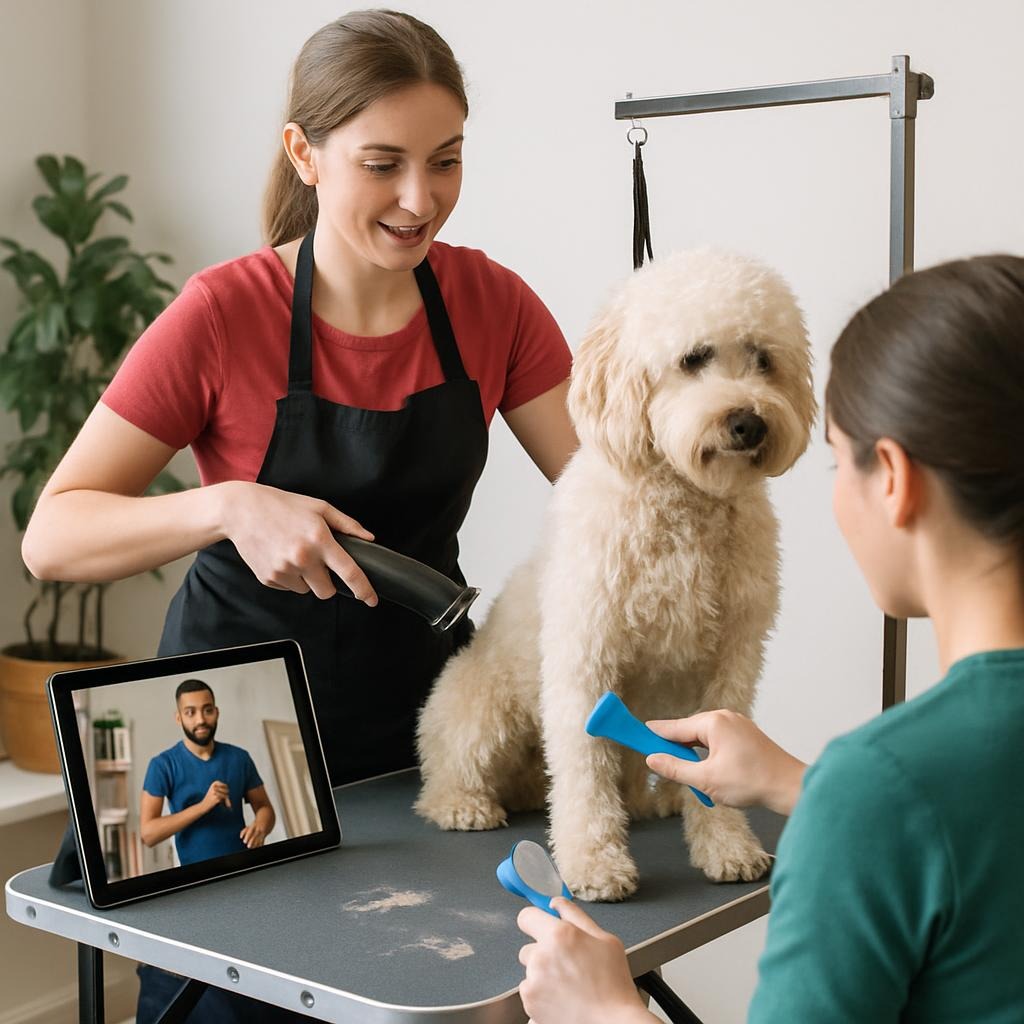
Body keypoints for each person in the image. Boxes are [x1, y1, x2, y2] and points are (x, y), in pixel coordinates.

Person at [21, 10, 576, 1021]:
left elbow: (601, 506)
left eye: (445, 161)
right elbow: (53, 533)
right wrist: (227, 504)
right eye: (384, 164)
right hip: (238, 735)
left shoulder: (493, 305)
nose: (421, 200)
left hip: (415, 742)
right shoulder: (221, 312)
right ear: (305, 155)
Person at [516, 254, 1024, 1023]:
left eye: (833, 459)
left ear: (893, 479)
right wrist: (799, 783)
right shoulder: (883, 792)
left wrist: (605, 1013)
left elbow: (904, 811)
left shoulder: (879, 789)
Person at [140, 678, 276, 865]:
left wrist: (261, 827)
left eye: (208, 710)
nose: (201, 720)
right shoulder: (162, 765)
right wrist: (204, 805)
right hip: (198, 879)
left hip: (246, 868)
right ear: (179, 718)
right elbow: (148, 835)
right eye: (190, 712)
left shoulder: (240, 758)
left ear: (217, 712)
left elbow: (264, 807)